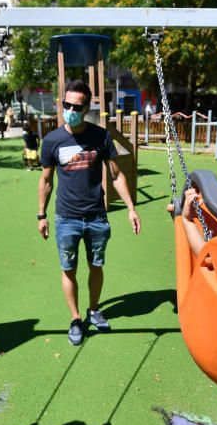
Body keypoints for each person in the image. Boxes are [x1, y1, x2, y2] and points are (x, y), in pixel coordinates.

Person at [38, 80, 140, 346]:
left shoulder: (101, 136)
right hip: (66, 218)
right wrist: (41, 214)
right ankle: (75, 318)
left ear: (86, 108)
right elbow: (46, 180)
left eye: (76, 106)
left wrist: (131, 208)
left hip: (96, 216)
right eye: (66, 104)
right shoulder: (52, 141)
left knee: (96, 265)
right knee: (68, 269)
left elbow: (116, 175)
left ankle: (94, 309)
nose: (70, 109)